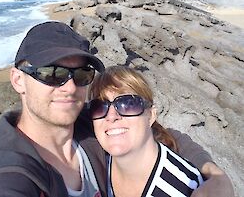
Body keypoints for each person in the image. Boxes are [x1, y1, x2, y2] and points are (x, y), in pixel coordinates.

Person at [0, 21, 234, 197]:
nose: (69, 87)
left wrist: (217, 177)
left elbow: (157, 131)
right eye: (51, 73)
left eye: (81, 75)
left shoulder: (89, 120)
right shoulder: (6, 178)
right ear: (18, 79)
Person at [88, 65, 234, 197]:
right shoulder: (97, 158)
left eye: (128, 103)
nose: (111, 116)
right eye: (99, 106)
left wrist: (217, 175)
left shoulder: (186, 189)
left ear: (151, 116)